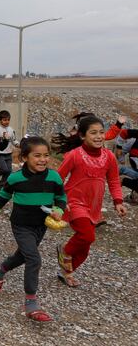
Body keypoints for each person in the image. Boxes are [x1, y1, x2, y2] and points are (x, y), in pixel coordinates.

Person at [0, 136, 67, 322]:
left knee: (23, 255)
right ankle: (31, 303)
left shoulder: (54, 177)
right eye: (37, 155)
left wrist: (58, 210)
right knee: (34, 259)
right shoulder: (16, 178)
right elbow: (3, 196)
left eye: (46, 155)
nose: (43, 159)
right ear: (25, 158)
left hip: (41, 226)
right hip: (21, 224)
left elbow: (61, 197)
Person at [53, 115, 126, 287]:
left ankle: (66, 272)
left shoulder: (109, 157)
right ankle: (64, 250)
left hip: (94, 206)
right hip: (74, 202)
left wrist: (118, 201)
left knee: (84, 250)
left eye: (101, 132)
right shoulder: (74, 155)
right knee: (87, 235)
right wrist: (58, 202)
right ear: (82, 136)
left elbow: (114, 181)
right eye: (93, 133)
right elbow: (57, 179)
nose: (99, 136)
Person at [0, 110, 15, 190]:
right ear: (0, 120)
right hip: (0, 153)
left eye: (8, 120)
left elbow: (13, 140)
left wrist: (19, 144)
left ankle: (1, 186)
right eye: (4, 120)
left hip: (9, 153)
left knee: (8, 171)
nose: (7, 122)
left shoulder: (11, 130)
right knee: (4, 169)